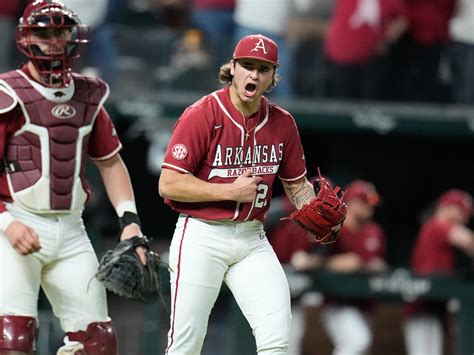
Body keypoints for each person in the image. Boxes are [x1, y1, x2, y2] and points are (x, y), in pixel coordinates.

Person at [158, 33, 333, 354]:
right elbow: (168, 183)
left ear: (272, 77)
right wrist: (229, 190)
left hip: (252, 239)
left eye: (263, 69)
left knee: (277, 339)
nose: (254, 74)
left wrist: (318, 211)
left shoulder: (282, 122)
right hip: (202, 235)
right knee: (186, 344)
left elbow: (296, 185)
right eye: (248, 66)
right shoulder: (202, 114)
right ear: (233, 68)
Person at [0, 1, 146, 354]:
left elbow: (111, 163)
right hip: (17, 224)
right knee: (14, 339)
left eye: (60, 32)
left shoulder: (89, 94)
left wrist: (130, 222)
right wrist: (6, 223)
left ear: (72, 36)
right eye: (44, 32)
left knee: (97, 341)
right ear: (26, 35)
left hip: (71, 230)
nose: (52, 40)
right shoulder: (7, 92)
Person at [290, 179, 386, 355]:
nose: (370, 208)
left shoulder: (374, 231)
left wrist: (367, 265)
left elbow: (374, 262)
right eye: (365, 203)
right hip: (338, 301)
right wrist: (332, 263)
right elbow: (308, 261)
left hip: (365, 302)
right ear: (353, 202)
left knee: (360, 347)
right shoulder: (333, 228)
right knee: (357, 342)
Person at [403, 189, 474, 355]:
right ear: (448, 208)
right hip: (423, 309)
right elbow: (469, 241)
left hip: (432, 308)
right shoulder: (436, 225)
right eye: (462, 212)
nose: (466, 218)